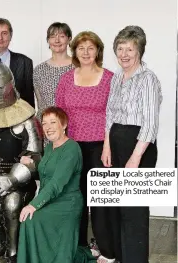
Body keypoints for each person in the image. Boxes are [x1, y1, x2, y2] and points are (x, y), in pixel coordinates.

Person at [99, 25, 162, 263]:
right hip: (116, 144)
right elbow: (110, 115)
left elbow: (150, 125)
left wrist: (134, 159)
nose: (124, 54)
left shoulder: (148, 80)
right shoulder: (117, 77)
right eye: (120, 48)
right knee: (116, 207)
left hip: (139, 148)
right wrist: (107, 146)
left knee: (134, 211)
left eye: (130, 49)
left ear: (140, 51)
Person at [0, 62, 42, 262]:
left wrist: (13, 178)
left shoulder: (27, 120)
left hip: (18, 187)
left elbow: (37, 157)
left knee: (12, 203)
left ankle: (14, 251)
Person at [55, 31, 114, 249]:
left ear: (98, 51)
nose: (86, 52)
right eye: (81, 48)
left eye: (91, 48)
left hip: (100, 146)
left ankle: (104, 245)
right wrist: (59, 146)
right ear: (75, 51)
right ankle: (77, 245)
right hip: (72, 147)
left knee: (99, 201)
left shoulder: (109, 78)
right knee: (75, 197)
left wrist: (108, 146)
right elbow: (59, 114)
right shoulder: (66, 79)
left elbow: (114, 115)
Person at [16, 106, 97, 263]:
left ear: (64, 124)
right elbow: (45, 172)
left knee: (31, 219)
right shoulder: (49, 148)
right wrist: (31, 163)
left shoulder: (72, 148)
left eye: (53, 122)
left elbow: (57, 182)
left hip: (67, 203)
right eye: (44, 123)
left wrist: (34, 204)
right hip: (52, 200)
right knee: (29, 220)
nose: (48, 127)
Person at [33, 22, 74, 122]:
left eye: (62, 36)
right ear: (48, 40)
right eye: (52, 36)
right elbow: (40, 103)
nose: (57, 40)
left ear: (69, 39)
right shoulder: (39, 70)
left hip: (73, 125)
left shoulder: (78, 67)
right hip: (46, 127)